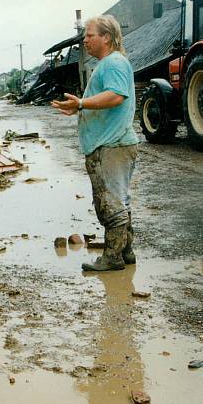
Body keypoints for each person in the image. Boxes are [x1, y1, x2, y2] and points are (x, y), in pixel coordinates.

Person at [51, 14, 138, 272]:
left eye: (90, 35)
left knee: (109, 202)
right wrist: (80, 108)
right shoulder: (110, 63)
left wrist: (80, 103)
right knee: (119, 199)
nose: (85, 40)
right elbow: (109, 100)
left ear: (107, 38)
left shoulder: (113, 63)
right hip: (114, 143)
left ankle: (112, 258)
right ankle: (125, 251)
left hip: (111, 145)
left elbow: (116, 96)